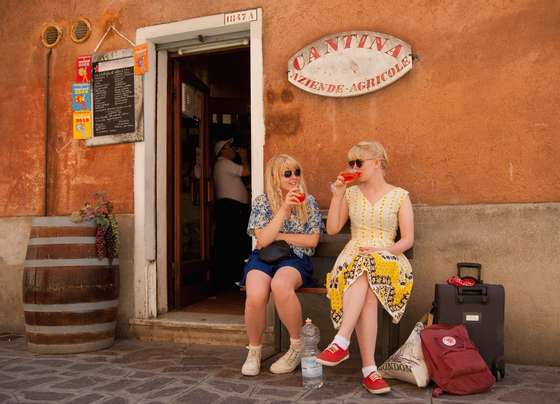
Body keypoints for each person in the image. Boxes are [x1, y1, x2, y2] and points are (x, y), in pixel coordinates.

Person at [316, 140, 414, 395]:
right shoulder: (350, 193)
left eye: (359, 162)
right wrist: (337, 194)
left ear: (377, 163)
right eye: (351, 163)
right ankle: (369, 370)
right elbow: (333, 229)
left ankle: (341, 342)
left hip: (388, 257)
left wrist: (383, 250)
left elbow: (407, 240)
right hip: (354, 255)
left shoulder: (399, 196)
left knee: (368, 269)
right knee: (367, 287)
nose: (354, 167)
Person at [240, 154, 322, 376]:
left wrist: (279, 235)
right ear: (275, 177)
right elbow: (263, 241)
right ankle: (254, 350)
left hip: (295, 259)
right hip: (264, 257)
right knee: (255, 294)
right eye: (288, 173)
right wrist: (284, 209)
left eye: (297, 172)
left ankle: (297, 347)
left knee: (280, 285)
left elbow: (312, 241)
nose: (294, 177)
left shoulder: (309, 202)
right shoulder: (262, 202)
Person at [213, 138, 251, 291]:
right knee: (234, 244)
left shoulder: (223, 164)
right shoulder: (224, 163)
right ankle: (232, 279)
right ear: (222, 150)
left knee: (231, 244)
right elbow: (246, 171)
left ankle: (231, 279)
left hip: (231, 209)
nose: (233, 149)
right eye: (230, 147)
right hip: (231, 209)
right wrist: (244, 157)